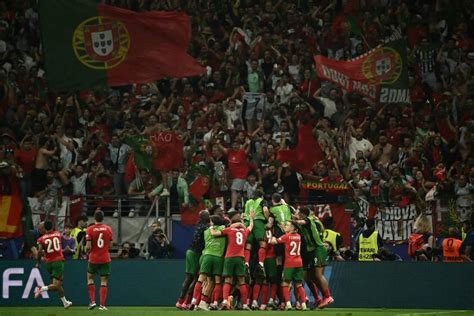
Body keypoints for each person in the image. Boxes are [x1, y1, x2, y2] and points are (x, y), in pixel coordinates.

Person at [211, 210, 255, 310]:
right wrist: (251, 218)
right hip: (240, 258)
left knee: (227, 280)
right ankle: (244, 305)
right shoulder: (244, 231)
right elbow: (250, 226)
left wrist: (211, 226)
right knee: (242, 282)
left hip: (229, 257)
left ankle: (225, 301)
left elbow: (214, 233)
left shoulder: (229, 229)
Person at [295, 207, 333, 309]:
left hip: (318, 249)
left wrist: (293, 220)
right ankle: (319, 298)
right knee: (309, 276)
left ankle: (328, 296)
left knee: (318, 274)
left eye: (299, 214)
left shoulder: (309, 220)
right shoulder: (306, 223)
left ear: (302, 215)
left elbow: (303, 221)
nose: (297, 215)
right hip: (311, 251)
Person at [191, 215, 227, 310]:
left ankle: (194, 301)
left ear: (212, 222)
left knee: (201, 279)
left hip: (207, 255)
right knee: (217, 281)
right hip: (218, 257)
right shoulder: (224, 229)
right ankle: (213, 303)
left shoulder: (206, 231)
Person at [34, 220, 72, 309]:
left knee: (59, 284)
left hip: (49, 263)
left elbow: (39, 252)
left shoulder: (41, 239)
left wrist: (38, 262)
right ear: (52, 226)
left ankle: (65, 302)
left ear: (44, 228)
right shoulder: (58, 234)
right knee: (56, 286)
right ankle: (41, 289)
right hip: (58, 261)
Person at [269, 221, 307, 311]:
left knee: (285, 283)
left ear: (293, 228)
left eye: (288, 225)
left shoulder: (286, 237)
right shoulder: (298, 236)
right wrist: (286, 230)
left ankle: (288, 304)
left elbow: (273, 242)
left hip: (289, 263)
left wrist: (273, 236)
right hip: (299, 262)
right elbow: (291, 235)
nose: (286, 226)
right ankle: (304, 304)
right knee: (299, 284)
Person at [176, 210, 210, 309]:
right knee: (195, 278)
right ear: (206, 217)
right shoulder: (206, 228)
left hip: (191, 252)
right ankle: (185, 302)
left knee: (189, 278)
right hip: (195, 254)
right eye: (208, 215)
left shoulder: (199, 226)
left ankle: (181, 301)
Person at [85, 210, 113, 310]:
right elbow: (111, 244)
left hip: (93, 258)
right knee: (104, 281)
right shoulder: (108, 229)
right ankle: (102, 305)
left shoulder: (89, 229)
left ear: (94, 217)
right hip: (105, 258)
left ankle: (92, 302)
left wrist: (86, 251)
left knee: (90, 278)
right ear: (103, 218)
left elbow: (88, 246)